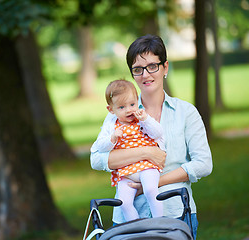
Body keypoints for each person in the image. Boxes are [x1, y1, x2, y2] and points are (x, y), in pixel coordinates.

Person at [90, 35, 212, 240]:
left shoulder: (185, 112)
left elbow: (203, 164)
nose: (145, 74)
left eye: (152, 66)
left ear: (165, 67)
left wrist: (155, 183)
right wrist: (146, 152)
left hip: (176, 214)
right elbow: (96, 159)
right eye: (137, 69)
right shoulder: (118, 113)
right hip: (126, 221)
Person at [92, 79, 165, 221]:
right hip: (125, 172)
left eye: (132, 104)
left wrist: (146, 120)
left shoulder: (142, 118)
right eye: (121, 107)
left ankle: (159, 221)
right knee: (124, 203)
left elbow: (158, 133)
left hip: (146, 166)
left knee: (151, 190)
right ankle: (136, 226)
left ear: (137, 101)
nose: (129, 110)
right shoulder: (111, 125)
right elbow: (100, 146)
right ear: (111, 110)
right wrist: (112, 138)